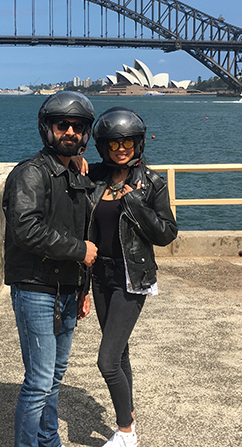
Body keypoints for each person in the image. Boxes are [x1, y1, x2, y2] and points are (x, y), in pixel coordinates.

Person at [3, 91, 98, 447]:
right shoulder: (32, 173)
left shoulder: (76, 174)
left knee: (55, 377)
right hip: (36, 288)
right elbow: (26, 228)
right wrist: (79, 252)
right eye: (62, 125)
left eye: (78, 127)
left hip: (68, 290)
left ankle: (49, 441)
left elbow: (81, 227)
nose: (70, 132)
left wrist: (83, 288)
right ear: (48, 128)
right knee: (39, 381)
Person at [86, 107, 178, 447]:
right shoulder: (96, 178)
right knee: (120, 352)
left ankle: (127, 432)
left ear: (137, 144)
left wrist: (136, 205)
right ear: (104, 148)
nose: (120, 149)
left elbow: (167, 233)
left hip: (131, 277)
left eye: (127, 142)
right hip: (101, 277)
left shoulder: (151, 183)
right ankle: (129, 418)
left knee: (106, 361)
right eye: (114, 144)